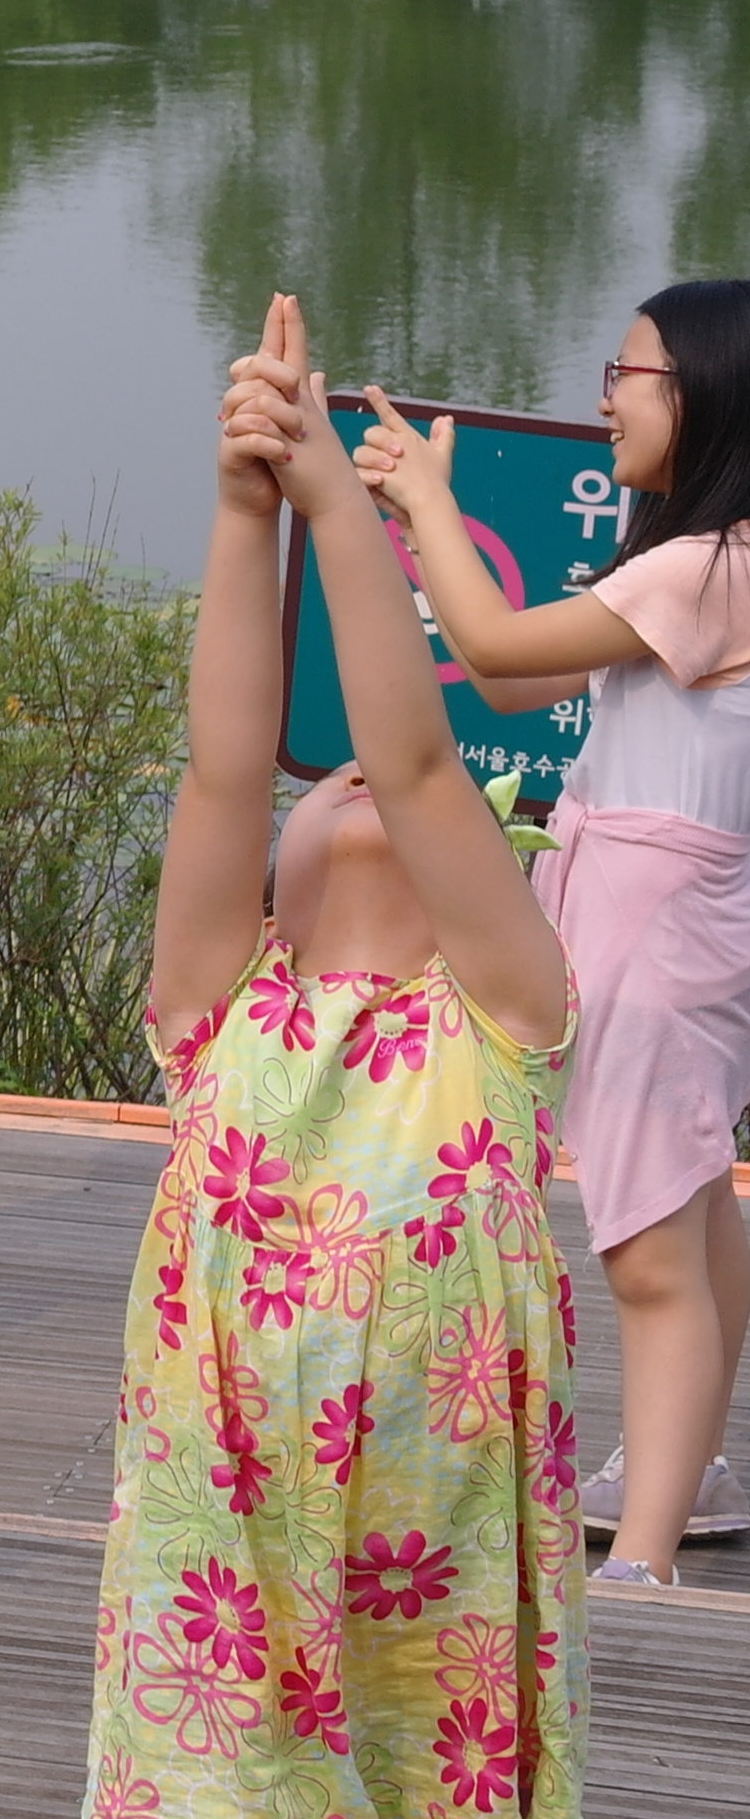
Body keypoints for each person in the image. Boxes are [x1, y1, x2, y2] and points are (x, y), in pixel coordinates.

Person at [90, 296, 582, 1812]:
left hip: (431, 1583)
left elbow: (422, 751)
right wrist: (248, 506)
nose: (360, 771)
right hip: (223, 1564)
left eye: (396, 786)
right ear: (268, 887)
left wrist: (330, 496)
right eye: (331, 786)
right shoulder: (221, 1010)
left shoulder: (500, 1019)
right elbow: (227, 756)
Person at [358, 279, 750, 1589]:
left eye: (626, 373)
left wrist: (424, 503)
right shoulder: (692, 566)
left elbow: (486, 633)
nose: (604, 397)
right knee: (688, 1206)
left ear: (699, 394)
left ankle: (642, 1562)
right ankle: (679, 1473)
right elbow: (517, 672)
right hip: (664, 919)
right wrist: (433, 529)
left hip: (660, 930)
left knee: (647, 1250)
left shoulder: (712, 567)